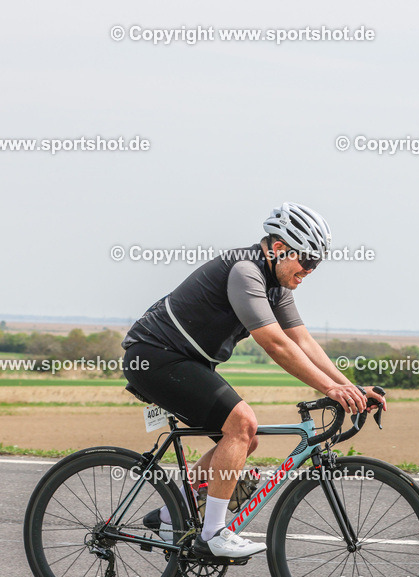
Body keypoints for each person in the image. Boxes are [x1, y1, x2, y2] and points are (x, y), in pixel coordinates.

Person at [121, 202, 385, 558]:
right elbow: (275, 344)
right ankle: (212, 534)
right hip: (155, 356)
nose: (309, 270)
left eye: (316, 263)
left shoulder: (277, 286)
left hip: (183, 359)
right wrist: (330, 389)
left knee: (246, 441)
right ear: (279, 249)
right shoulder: (246, 272)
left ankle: (170, 516)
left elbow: (302, 341)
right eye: (306, 260)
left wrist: (350, 388)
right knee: (243, 424)